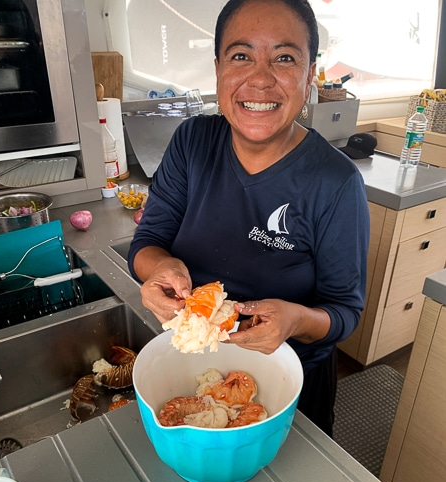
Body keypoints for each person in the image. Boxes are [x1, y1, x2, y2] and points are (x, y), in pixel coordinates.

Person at [128, 0, 369, 437]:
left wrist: (295, 319)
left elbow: (344, 311)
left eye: (284, 58)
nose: (260, 79)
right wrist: (160, 269)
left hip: (287, 385)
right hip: (192, 367)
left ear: (309, 72)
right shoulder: (193, 142)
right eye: (241, 56)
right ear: (218, 67)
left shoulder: (335, 182)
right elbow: (148, 242)